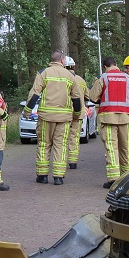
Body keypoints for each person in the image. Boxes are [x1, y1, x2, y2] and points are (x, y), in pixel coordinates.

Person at [25, 49, 82, 186]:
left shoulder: (43, 73)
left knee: (44, 144)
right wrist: (77, 114)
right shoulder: (70, 76)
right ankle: (58, 176)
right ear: (62, 60)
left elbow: (35, 94)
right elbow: (76, 98)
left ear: (52, 60)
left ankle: (43, 175)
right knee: (60, 145)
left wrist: (27, 110)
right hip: (64, 118)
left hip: (46, 117)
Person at [90, 57, 129, 189]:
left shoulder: (103, 78)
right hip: (126, 118)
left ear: (105, 66)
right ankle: (127, 177)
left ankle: (113, 179)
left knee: (111, 148)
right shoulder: (128, 78)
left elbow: (93, 98)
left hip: (108, 117)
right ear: (116, 65)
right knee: (125, 147)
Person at [64, 55, 90, 170]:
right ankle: (73, 162)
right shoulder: (81, 80)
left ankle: (61, 161)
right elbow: (88, 96)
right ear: (73, 67)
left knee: (64, 137)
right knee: (74, 137)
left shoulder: (63, 79)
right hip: (78, 114)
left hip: (66, 113)